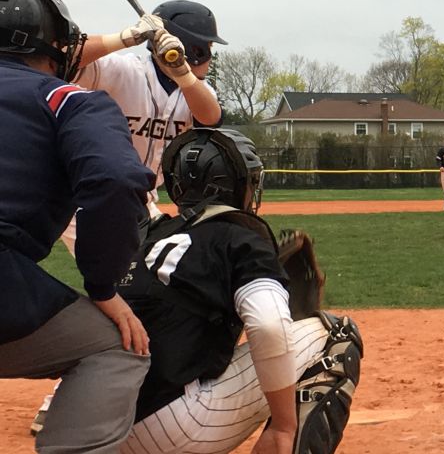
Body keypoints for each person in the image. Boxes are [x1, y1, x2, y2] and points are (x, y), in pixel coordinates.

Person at [116, 128, 363, 454]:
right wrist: (284, 424)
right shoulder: (241, 238)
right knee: (339, 335)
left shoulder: (149, 234)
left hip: (108, 424)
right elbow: (269, 325)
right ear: (237, 184)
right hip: (173, 429)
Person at [0, 0, 156, 452]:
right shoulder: (67, 99)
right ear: (58, 50)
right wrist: (102, 285)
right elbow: (115, 180)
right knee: (116, 345)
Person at [60, 0, 224, 253]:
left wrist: (182, 73)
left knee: (174, 269)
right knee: (123, 279)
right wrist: (126, 37)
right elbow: (63, 56)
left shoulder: (195, 90)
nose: (211, 57)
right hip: (86, 199)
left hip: (142, 201)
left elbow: (211, 117)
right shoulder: (125, 71)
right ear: (195, 48)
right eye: (209, 47)